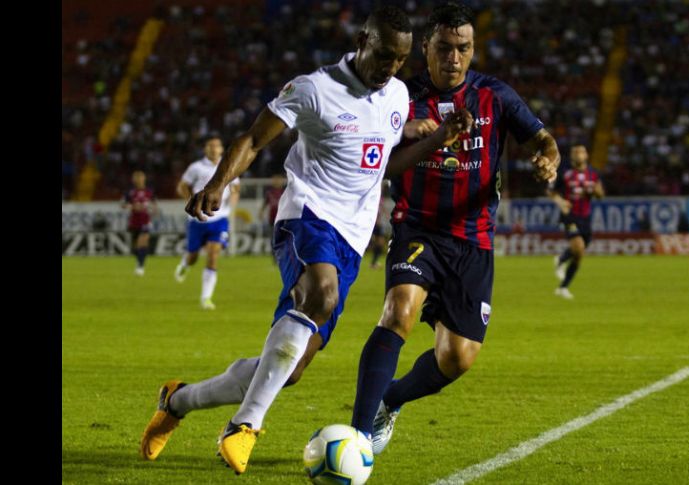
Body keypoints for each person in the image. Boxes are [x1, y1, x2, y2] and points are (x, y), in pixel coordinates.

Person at [141, 6, 472, 475]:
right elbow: (254, 140)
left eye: (399, 61)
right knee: (321, 292)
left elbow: (382, 168)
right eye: (382, 56)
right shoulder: (314, 89)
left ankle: (177, 401)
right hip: (307, 215)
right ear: (362, 40)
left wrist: (436, 140)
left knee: (287, 370)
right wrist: (218, 184)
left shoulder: (396, 95)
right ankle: (244, 426)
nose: (390, 69)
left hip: (352, 240)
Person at [348, 2, 560, 456]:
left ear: (472, 49)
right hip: (418, 228)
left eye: (463, 48)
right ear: (425, 48)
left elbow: (541, 137)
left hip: (474, 241)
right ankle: (357, 436)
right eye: (444, 48)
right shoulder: (398, 96)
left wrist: (548, 157)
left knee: (457, 357)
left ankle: (392, 399)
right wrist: (412, 130)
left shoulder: (495, 95)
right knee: (398, 312)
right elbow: (375, 152)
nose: (454, 58)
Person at [174, 135, 241, 310]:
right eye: (210, 146)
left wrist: (232, 204)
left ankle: (206, 298)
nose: (213, 149)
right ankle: (185, 263)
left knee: (213, 255)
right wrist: (191, 200)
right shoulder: (196, 167)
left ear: (221, 149)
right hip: (197, 218)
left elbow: (235, 188)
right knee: (193, 256)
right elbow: (182, 185)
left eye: (216, 146)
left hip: (219, 218)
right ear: (205, 149)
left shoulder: (228, 166)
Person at [548, 144, 604, 299]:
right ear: (572, 156)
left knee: (579, 255)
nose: (578, 154)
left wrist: (593, 191)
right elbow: (551, 192)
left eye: (581, 151)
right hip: (569, 216)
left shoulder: (593, 174)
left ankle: (563, 285)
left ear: (586, 155)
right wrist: (561, 202)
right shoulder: (565, 173)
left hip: (585, 217)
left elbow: (600, 194)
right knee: (578, 247)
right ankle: (562, 262)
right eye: (575, 152)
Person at [122, 170, 157, 276]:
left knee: (143, 241)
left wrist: (152, 210)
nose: (138, 180)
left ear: (144, 179)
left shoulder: (149, 192)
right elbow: (123, 205)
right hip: (134, 221)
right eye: (136, 178)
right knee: (135, 248)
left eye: (140, 178)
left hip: (145, 221)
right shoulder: (130, 192)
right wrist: (133, 206)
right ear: (133, 180)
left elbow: (154, 206)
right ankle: (139, 261)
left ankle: (140, 267)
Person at [257, 173, 285, 261]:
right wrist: (261, 212)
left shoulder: (284, 192)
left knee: (283, 238)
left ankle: (283, 256)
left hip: (282, 219)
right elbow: (265, 203)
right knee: (273, 239)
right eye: (275, 180)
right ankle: (275, 257)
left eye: (278, 180)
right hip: (272, 219)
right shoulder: (269, 192)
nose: (276, 182)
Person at [369, 187, 389, 269]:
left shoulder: (380, 199)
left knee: (380, 243)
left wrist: (386, 214)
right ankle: (373, 263)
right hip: (374, 224)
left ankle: (374, 263)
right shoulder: (374, 197)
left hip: (378, 224)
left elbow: (381, 210)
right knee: (378, 243)